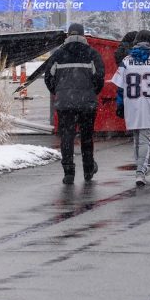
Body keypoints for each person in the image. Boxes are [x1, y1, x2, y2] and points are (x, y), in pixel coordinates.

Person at [44, 22, 105, 184]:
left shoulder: (58, 55)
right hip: (87, 103)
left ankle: (69, 172)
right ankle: (88, 169)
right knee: (86, 137)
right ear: (83, 35)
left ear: (68, 35)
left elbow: (48, 78)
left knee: (67, 137)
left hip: (65, 103)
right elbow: (99, 77)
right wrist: (92, 92)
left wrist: (59, 92)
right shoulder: (92, 54)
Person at [112, 30, 150, 186]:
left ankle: (141, 167)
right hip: (149, 104)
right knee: (145, 139)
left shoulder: (126, 61)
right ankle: (140, 171)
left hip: (131, 104)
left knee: (137, 138)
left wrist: (119, 105)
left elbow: (120, 88)